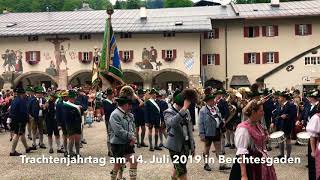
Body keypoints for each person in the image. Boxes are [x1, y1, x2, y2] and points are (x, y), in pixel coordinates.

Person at [229, 99, 277, 180]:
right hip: (249, 165)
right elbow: (242, 153)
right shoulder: (243, 129)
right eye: (261, 111)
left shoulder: (257, 124)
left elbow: (258, 142)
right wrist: (244, 175)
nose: (263, 113)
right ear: (254, 112)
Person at [164, 89, 196, 180]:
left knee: (178, 167)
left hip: (185, 145)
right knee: (182, 170)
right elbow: (172, 123)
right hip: (175, 146)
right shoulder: (168, 112)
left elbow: (190, 130)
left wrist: (192, 146)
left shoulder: (187, 111)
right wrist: (184, 109)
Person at [199, 93, 230, 171]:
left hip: (216, 131)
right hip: (208, 132)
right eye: (212, 100)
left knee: (218, 149)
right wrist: (202, 134)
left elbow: (218, 117)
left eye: (214, 100)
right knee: (207, 149)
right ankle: (206, 164)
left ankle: (222, 164)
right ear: (208, 101)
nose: (214, 101)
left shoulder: (216, 108)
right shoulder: (203, 110)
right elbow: (200, 123)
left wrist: (221, 121)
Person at [109, 96, 138, 180]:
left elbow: (132, 127)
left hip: (127, 143)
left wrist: (132, 137)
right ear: (125, 105)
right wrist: (131, 137)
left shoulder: (129, 114)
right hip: (118, 144)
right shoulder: (115, 114)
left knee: (133, 161)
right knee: (118, 164)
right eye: (129, 105)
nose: (131, 107)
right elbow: (118, 131)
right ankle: (113, 178)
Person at [9, 87, 36, 156]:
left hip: (15, 119)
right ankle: (12, 151)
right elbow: (23, 112)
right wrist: (29, 117)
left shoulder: (14, 100)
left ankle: (27, 148)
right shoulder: (21, 101)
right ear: (22, 94)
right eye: (24, 93)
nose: (25, 94)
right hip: (20, 120)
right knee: (17, 134)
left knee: (22, 134)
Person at [270, 91, 297, 158]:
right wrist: (273, 122)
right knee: (280, 140)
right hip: (279, 124)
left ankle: (288, 156)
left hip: (287, 125)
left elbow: (293, 115)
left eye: (279, 97)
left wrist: (287, 116)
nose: (278, 98)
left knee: (287, 140)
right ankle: (281, 154)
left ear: (284, 98)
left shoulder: (291, 105)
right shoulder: (278, 105)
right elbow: (275, 114)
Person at [305, 89, 320, 180]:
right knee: (312, 161)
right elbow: (306, 115)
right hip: (314, 136)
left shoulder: (318, 106)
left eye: (310, 96)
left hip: (316, 137)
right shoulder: (309, 105)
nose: (309, 98)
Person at [62, 90, 82, 157]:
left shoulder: (77, 104)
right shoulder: (65, 105)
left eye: (74, 98)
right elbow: (66, 116)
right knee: (71, 139)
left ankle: (78, 153)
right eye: (71, 98)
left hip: (77, 124)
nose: (73, 99)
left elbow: (83, 110)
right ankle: (70, 153)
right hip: (70, 124)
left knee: (77, 139)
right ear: (69, 98)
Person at [102, 88, 117, 156]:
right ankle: (110, 150)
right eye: (110, 94)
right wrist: (113, 104)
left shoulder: (114, 101)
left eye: (112, 94)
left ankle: (113, 149)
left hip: (115, 119)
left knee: (114, 134)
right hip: (108, 119)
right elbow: (108, 110)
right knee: (110, 135)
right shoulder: (105, 101)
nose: (111, 95)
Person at [56, 90, 69, 157]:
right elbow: (57, 115)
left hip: (70, 122)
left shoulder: (71, 103)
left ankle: (71, 150)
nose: (65, 98)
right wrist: (59, 124)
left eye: (66, 96)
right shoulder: (59, 104)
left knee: (71, 137)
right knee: (65, 137)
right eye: (64, 97)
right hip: (63, 123)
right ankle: (66, 150)